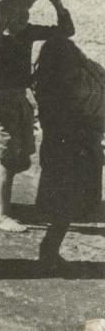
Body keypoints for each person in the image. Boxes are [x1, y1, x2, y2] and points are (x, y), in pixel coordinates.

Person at [0, 0, 74, 233]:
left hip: (17, 98)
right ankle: (2, 214)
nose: (27, 13)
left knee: (15, 156)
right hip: (0, 98)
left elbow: (66, 31)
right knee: (8, 156)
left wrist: (57, 4)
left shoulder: (24, 32)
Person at [32, 35, 104, 270]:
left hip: (65, 147)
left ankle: (49, 250)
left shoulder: (48, 82)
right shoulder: (69, 82)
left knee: (64, 204)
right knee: (68, 202)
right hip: (74, 147)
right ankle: (49, 251)